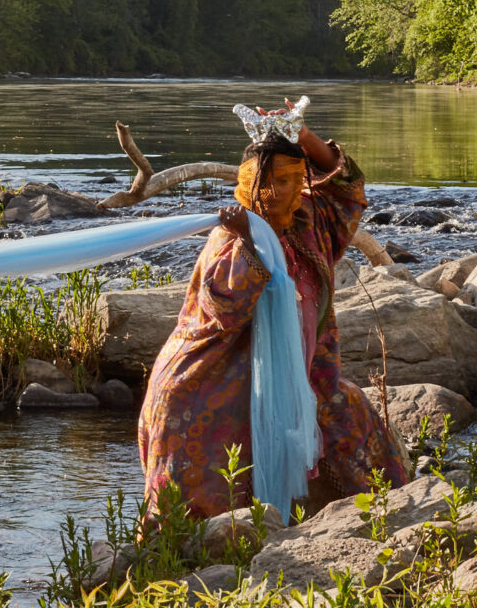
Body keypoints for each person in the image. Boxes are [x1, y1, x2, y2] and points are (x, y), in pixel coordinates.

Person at [137, 104, 408, 521]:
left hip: (307, 376)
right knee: (206, 472)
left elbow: (348, 189)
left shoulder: (309, 223)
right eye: (279, 180)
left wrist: (302, 136)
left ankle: (384, 523)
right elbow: (224, 310)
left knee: (351, 424)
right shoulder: (229, 236)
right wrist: (248, 242)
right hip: (216, 377)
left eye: (297, 179)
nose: (291, 190)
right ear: (253, 183)